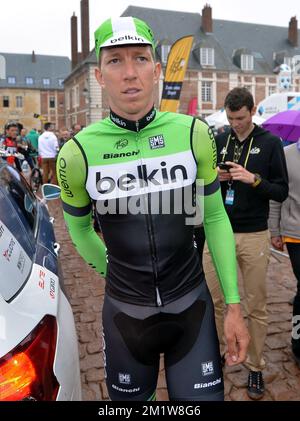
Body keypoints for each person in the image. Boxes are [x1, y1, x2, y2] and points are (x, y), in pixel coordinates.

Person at [57, 16, 249, 402]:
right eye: (115, 61)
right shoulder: (76, 153)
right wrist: (114, 272)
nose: (130, 73)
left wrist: (233, 306)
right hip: (126, 316)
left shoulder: (194, 133)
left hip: (190, 306)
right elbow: (78, 230)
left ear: (158, 69)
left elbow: (212, 216)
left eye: (140, 59)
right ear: (99, 75)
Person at [203, 87, 288, 400]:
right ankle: (225, 353)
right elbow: (202, 181)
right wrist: (216, 177)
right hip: (219, 231)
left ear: (252, 112)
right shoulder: (219, 139)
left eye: (240, 118)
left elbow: (280, 190)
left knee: (255, 304)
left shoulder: (270, 143)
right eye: (230, 118)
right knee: (215, 298)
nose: (235, 123)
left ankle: (254, 366)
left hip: (254, 234)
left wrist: (252, 179)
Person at [269, 139, 300, 365]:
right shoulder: (286, 154)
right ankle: (298, 343)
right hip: (294, 231)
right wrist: (274, 230)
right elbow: (277, 195)